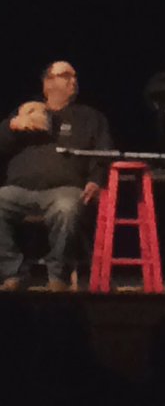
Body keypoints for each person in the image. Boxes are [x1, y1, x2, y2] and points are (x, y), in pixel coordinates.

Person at [0, 61, 112, 291]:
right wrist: (12, 126)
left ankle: (57, 276)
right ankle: (13, 272)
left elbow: (103, 154)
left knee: (67, 208)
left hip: (64, 190)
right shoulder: (28, 111)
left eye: (75, 76)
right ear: (47, 83)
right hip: (19, 191)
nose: (73, 80)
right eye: (66, 76)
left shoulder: (89, 117)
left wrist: (95, 181)